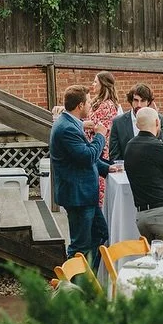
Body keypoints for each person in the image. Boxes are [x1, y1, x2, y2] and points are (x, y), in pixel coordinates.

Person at [50, 85, 114, 271]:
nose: (90, 106)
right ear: (80, 105)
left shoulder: (72, 123)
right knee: (79, 245)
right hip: (77, 196)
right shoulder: (66, 128)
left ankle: (89, 280)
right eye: (88, 102)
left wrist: (108, 168)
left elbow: (85, 159)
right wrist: (100, 136)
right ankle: (75, 287)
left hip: (86, 195)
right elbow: (87, 156)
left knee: (100, 233)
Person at [124, 107, 163, 242]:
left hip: (141, 215)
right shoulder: (159, 146)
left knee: (152, 259)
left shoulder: (129, 146)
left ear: (137, 124)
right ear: (157, 122)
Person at [87, 72, 120, 206]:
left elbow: (94, 126)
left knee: (99, 191)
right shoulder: (97, 102)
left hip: (101, 151)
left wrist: (84, 124)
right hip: (94, 147)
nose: (93, 84)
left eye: (95, 82)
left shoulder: (108, 105)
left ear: (103, 84)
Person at [109, 83, 154, 162]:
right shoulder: (118, 122)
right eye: (136, 100)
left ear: (148, 102)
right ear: (131, 101)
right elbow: (115, 155)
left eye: (143, 101)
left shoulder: (158, 119)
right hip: (126, 170)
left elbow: (161, 148)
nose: (139, 105)